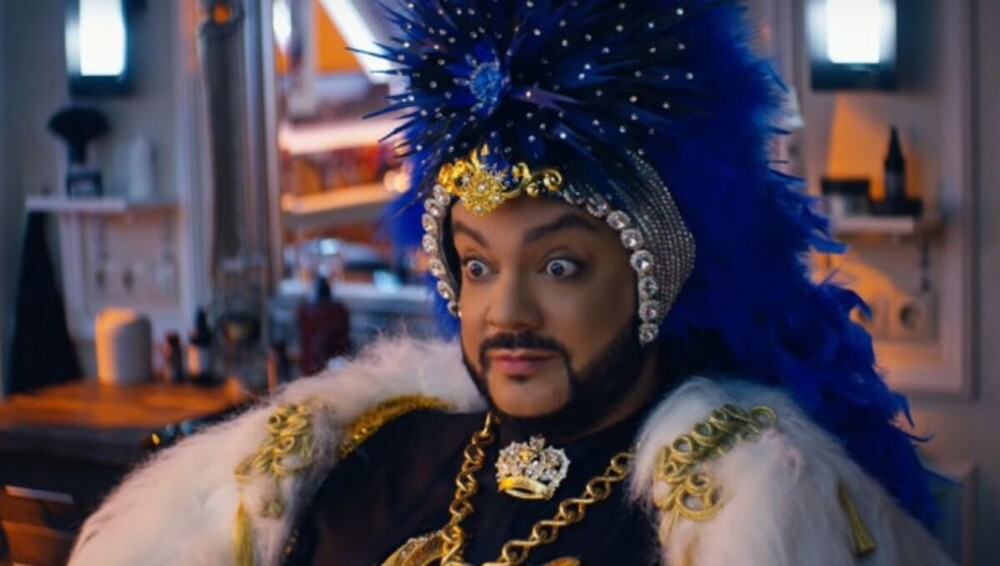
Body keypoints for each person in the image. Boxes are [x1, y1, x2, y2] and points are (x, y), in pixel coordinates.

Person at [69, 1, 953, 564]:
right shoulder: (360, 458)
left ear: (654, 276)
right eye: (478, 265)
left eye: (559, 267)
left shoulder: (736, 505)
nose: (506, 312)